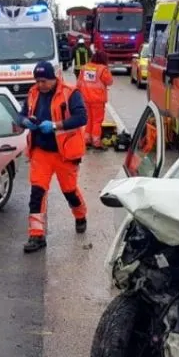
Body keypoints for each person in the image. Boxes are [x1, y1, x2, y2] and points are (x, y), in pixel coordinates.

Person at [16, 61, 88, 253]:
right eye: (37, 81)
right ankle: (36, 236)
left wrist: (56, 125)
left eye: (44, 81)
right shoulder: (33, 94)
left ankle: (80, 216)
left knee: (70, 191)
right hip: (41, 152)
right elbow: (21, 115)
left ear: (53, 78)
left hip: (65, 153)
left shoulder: (71, 93)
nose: (40, 85)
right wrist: (24, 121)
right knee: (37, 194)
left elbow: (82, 118)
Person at [76, 50, 114, 150]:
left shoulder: (84, 68)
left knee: (89, 119)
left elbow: (79, 84)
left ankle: (87, 139)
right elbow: (110, 81)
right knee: (97, 121)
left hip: (85, 99)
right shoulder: (102, 69)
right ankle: (96, 142)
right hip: (97, 100)